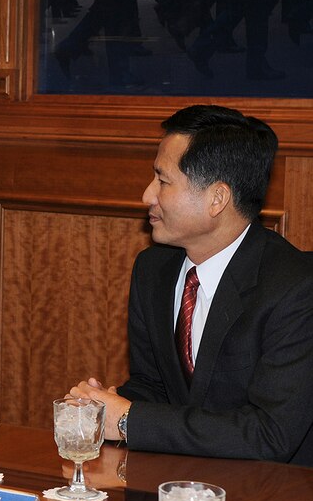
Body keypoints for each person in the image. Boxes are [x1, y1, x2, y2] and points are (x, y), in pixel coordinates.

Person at [68, 105, 313, 466]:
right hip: (176, 482)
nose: (147, 195)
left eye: (163, 181)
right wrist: (102, 404)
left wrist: (129, 419)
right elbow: (155, 387)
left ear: (217, 198)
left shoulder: (295, 287)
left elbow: (269, 433)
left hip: (274, 498)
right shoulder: (154, 269)